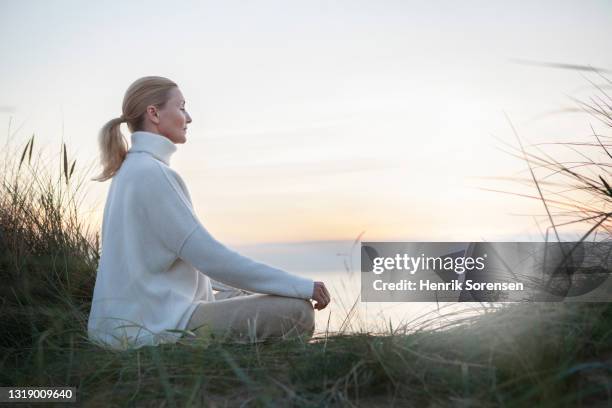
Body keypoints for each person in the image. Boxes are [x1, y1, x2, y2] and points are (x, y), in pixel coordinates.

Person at [87, 76, 331, 350]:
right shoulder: (153, 174)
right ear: (154, 113)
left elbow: (184, 259)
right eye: (181, 107)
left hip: (128, 325)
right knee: (296, 312)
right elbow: (209, 257)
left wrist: (253, 289)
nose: (188, 117)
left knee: (239, 292)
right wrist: (301, 286)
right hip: (156, 329)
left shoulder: (130, 171)